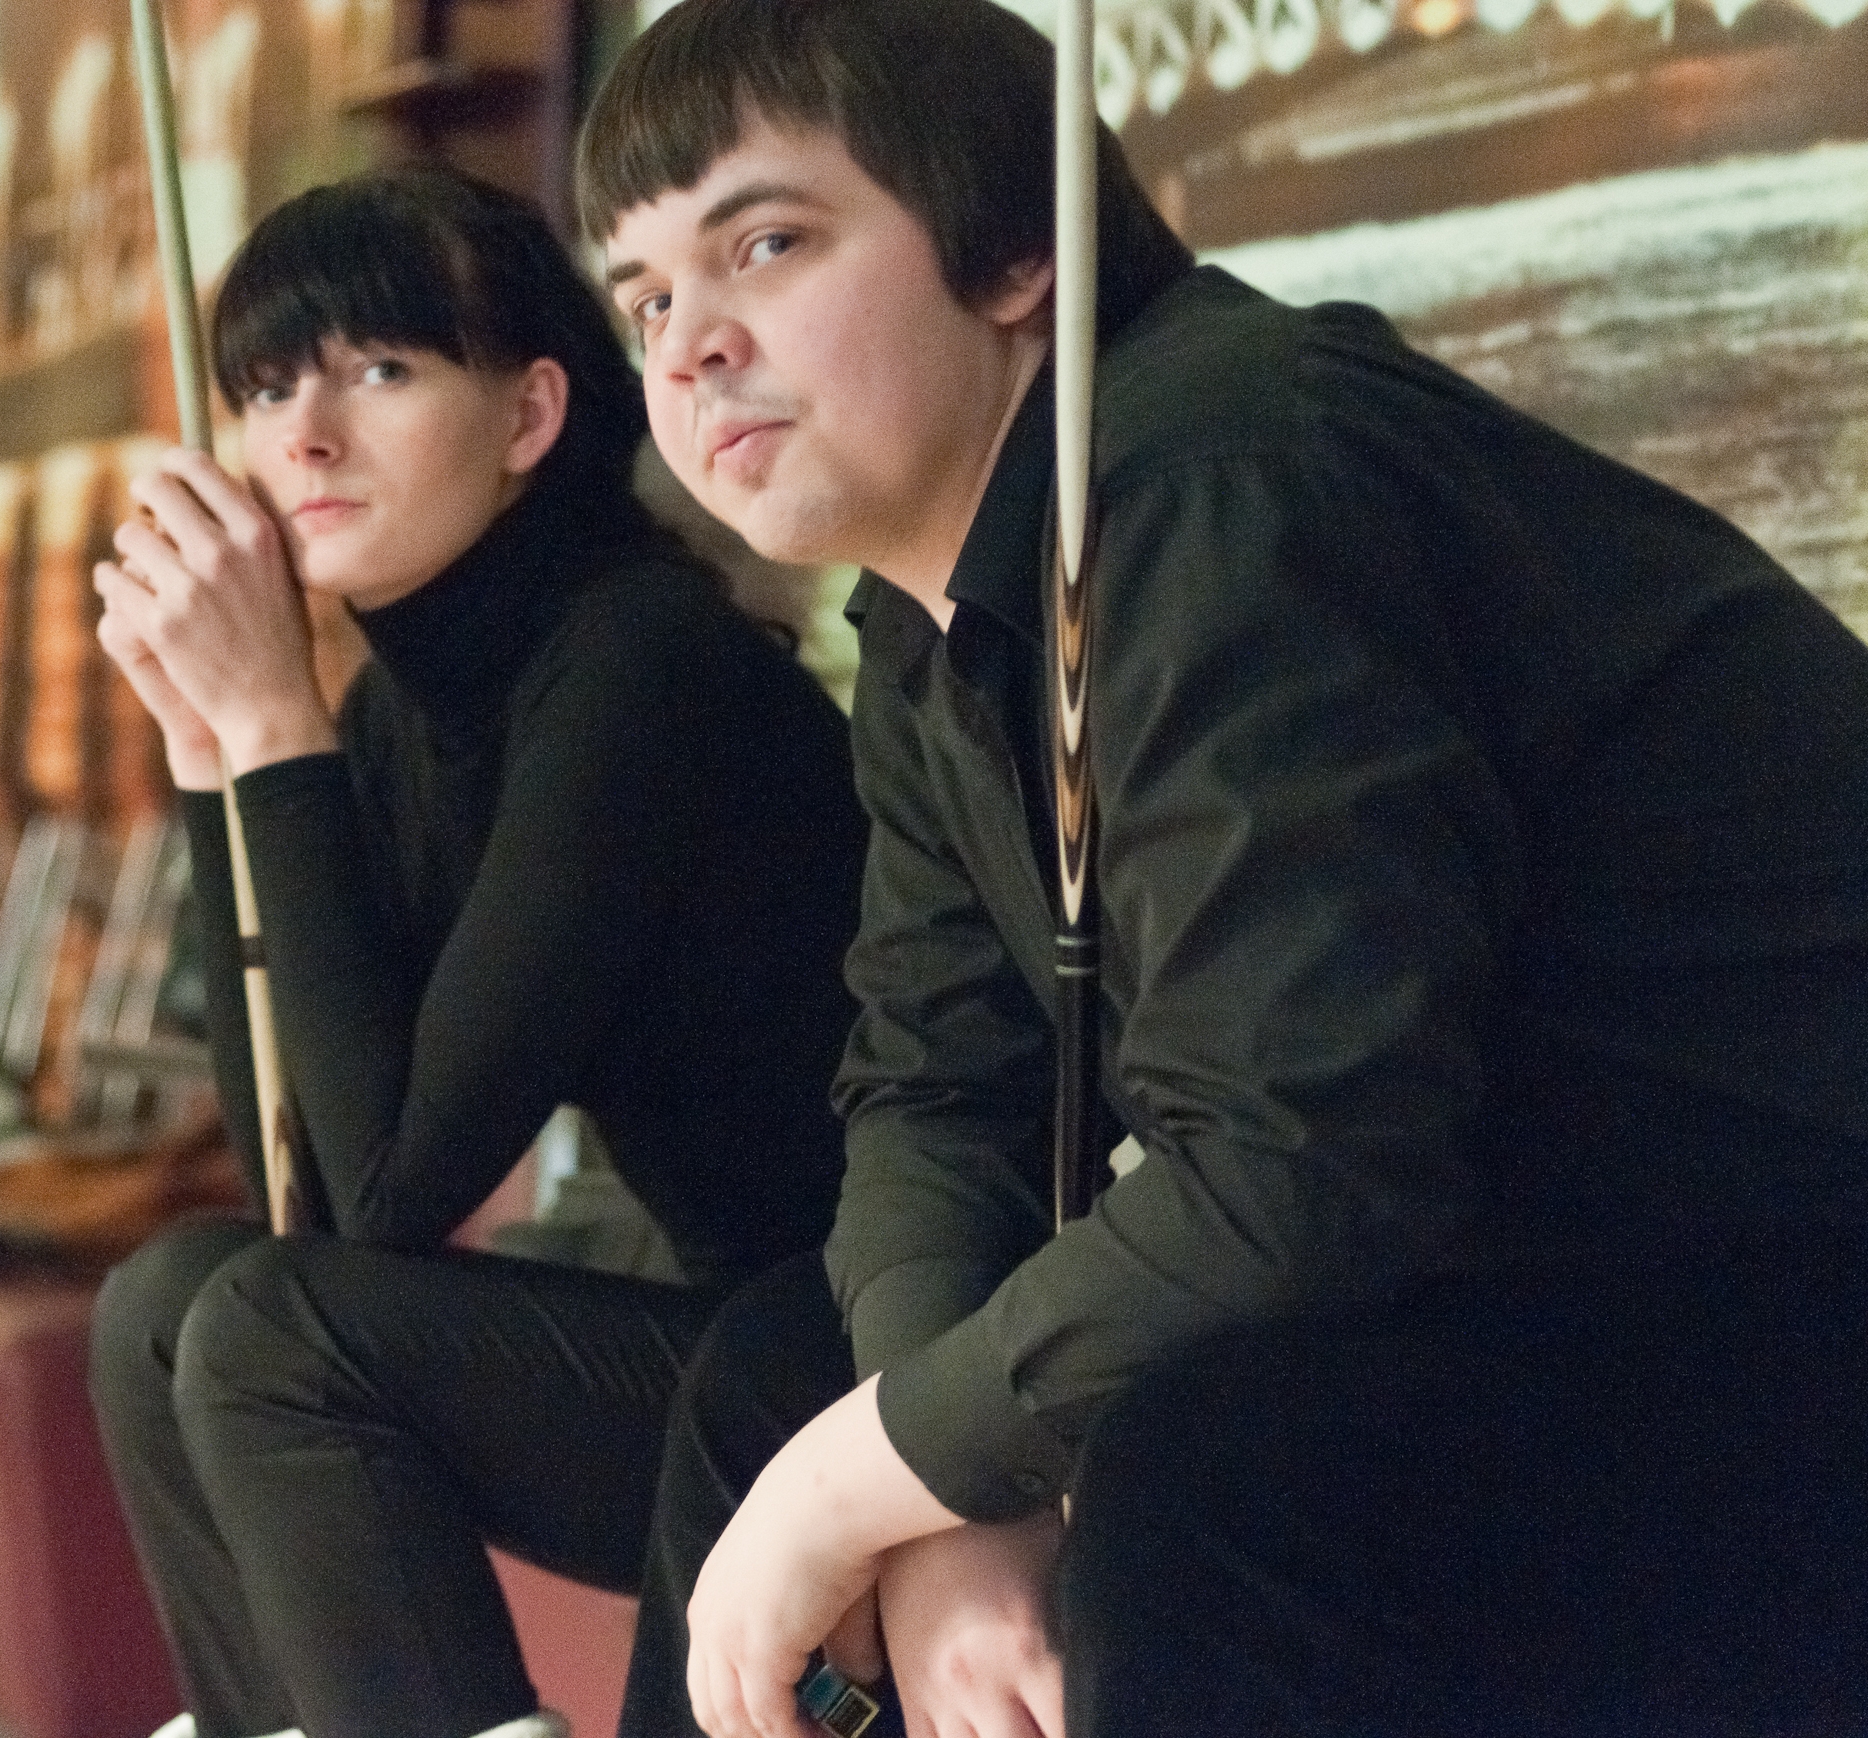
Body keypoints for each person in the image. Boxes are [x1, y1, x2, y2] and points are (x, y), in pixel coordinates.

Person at [576, 2, 1868, 1735]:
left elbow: (1302, 1162)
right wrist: (935, 1496)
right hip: (1551, 1285)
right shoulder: (925, 613)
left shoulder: (1212, 475)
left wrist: (866, 1483)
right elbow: (934, 1086)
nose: (690, 347)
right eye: (645, 299)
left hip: (1782, 1304)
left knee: (1204, 1478)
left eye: (766, 245)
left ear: (1020, 250)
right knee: (782, 1371)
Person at [85, 166, 867, 1738]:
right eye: (265, 388)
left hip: (855, 1353)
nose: (305, 435)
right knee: (170, 1301)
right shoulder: (395, 714)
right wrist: (210, 759)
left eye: (379, 370)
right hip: (711, 1341)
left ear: (529, 415)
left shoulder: (636, 660)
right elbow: (305, 1191)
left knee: (272, 1330)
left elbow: (394, 1189)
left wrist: (273, 724)